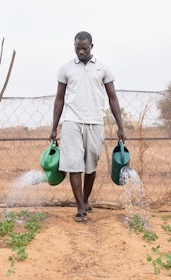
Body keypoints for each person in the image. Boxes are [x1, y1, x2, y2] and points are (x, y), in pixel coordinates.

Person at [50, 31, 126, 222]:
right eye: (78, 48)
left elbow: (113, 99)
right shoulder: (66, 69)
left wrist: (120, 126)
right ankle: (80, 207)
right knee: (74, 165)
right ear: (74, 46)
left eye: (85, 48)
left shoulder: (103, 69)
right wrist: (53, 127)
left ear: (92, 46)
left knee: (91, 166)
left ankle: (85, 200)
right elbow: (59, 100)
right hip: (71, 121)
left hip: (95, 122)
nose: (81, 51)